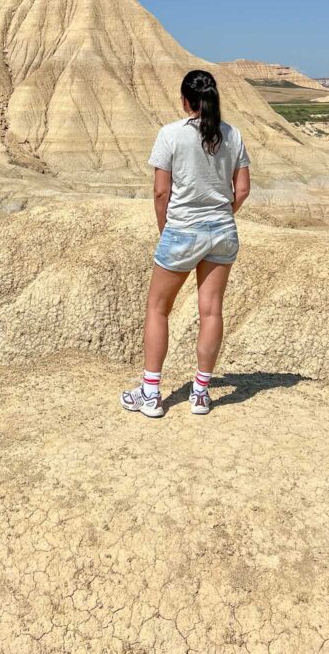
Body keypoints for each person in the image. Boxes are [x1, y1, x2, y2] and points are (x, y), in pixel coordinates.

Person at [120, 69, 251, 418]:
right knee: (211, 311)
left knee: (158, 308)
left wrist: (167, 228)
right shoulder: (232, 135)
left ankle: (150, 394)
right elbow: (243, 190)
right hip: (222, 231)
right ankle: (201, 394)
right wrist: (224, 214)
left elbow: (161, 191)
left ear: (184, 101)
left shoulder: (171, 135)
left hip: (182, 230)